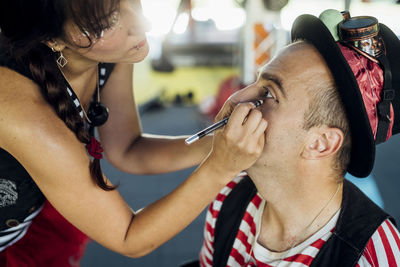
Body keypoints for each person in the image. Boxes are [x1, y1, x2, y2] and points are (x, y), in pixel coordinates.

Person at [0, 0, 269, 266]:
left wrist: (222, 144)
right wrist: (221, 166)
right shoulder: (25, 116)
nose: (143, 25)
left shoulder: (111, 49)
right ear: (53, 40)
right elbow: (128, 237)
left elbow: (127, 148)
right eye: (106, 23)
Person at [197, 10, 400, 267]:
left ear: (321, 143)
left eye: (269, 93)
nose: (237, 99)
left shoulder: (370, 258)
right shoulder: (227, 197)